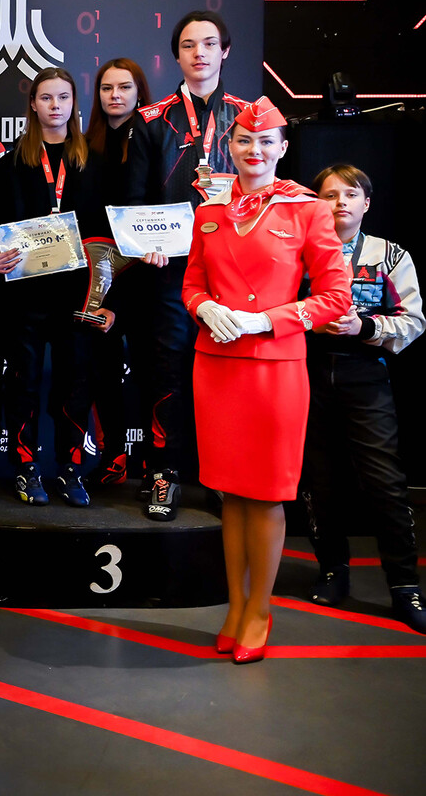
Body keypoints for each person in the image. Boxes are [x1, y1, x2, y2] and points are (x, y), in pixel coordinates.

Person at [182, 97, 350, 662]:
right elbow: (191, 285)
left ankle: (259, 609)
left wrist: (266, 320)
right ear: (229, 147)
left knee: (268, 494)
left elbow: (335, 298)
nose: (254, 150)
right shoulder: (209, 212)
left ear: (282, 148)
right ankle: (235, 606)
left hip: (275, 368)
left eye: (265, 142)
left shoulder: (308, 210)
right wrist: (205, 307)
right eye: (244, 141)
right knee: (230, 495)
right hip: (216, 364)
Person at [125, 10, 250, 521]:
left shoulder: (250, 117)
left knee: (229, 372)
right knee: (168, 369)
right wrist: (143, 242)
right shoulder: (152, 119)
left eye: (209, 43)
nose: (199, 53)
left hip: (236, 267)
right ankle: (164, 472)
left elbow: (268, 190)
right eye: (189, 45)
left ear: (225, 51)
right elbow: (135, 199)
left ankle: (224, 476)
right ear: (176, 55)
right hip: (171, 269)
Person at [301, 164, 425, 632]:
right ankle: (333, 571)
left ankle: (405, 586)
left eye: (350, 194)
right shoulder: (298, 252)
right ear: (316, 203)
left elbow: (413, 321)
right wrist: (308, 323)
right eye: (330, 195)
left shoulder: (389, 255)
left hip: (365, 373)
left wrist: (364, 326)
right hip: (309, 374)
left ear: (366, 203)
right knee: (320, 480)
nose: (340, 203)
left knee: (385, 482)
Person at [0, 68, 107, 507]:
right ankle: (25, 467)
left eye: (64, 97)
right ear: (33, 105)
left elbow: (106, 234)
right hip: (25, 296)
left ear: (75, 104)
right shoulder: (12, 162)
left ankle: (71, 470)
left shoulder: (92, 161)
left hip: (76, 295)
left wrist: (104, 294)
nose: (55, 106)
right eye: (46, 98)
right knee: (24, 384)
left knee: (74, 385)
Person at [82, 58, 152, 489]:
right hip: (97, 273)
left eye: (124, 87)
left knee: (147, 372)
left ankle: (152, 464)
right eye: (107, 88)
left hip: (143, 273)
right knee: (102, 372)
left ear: (139, 92)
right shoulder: (84, 143)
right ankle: (113, 457)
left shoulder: (154, 138)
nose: (115, 95)